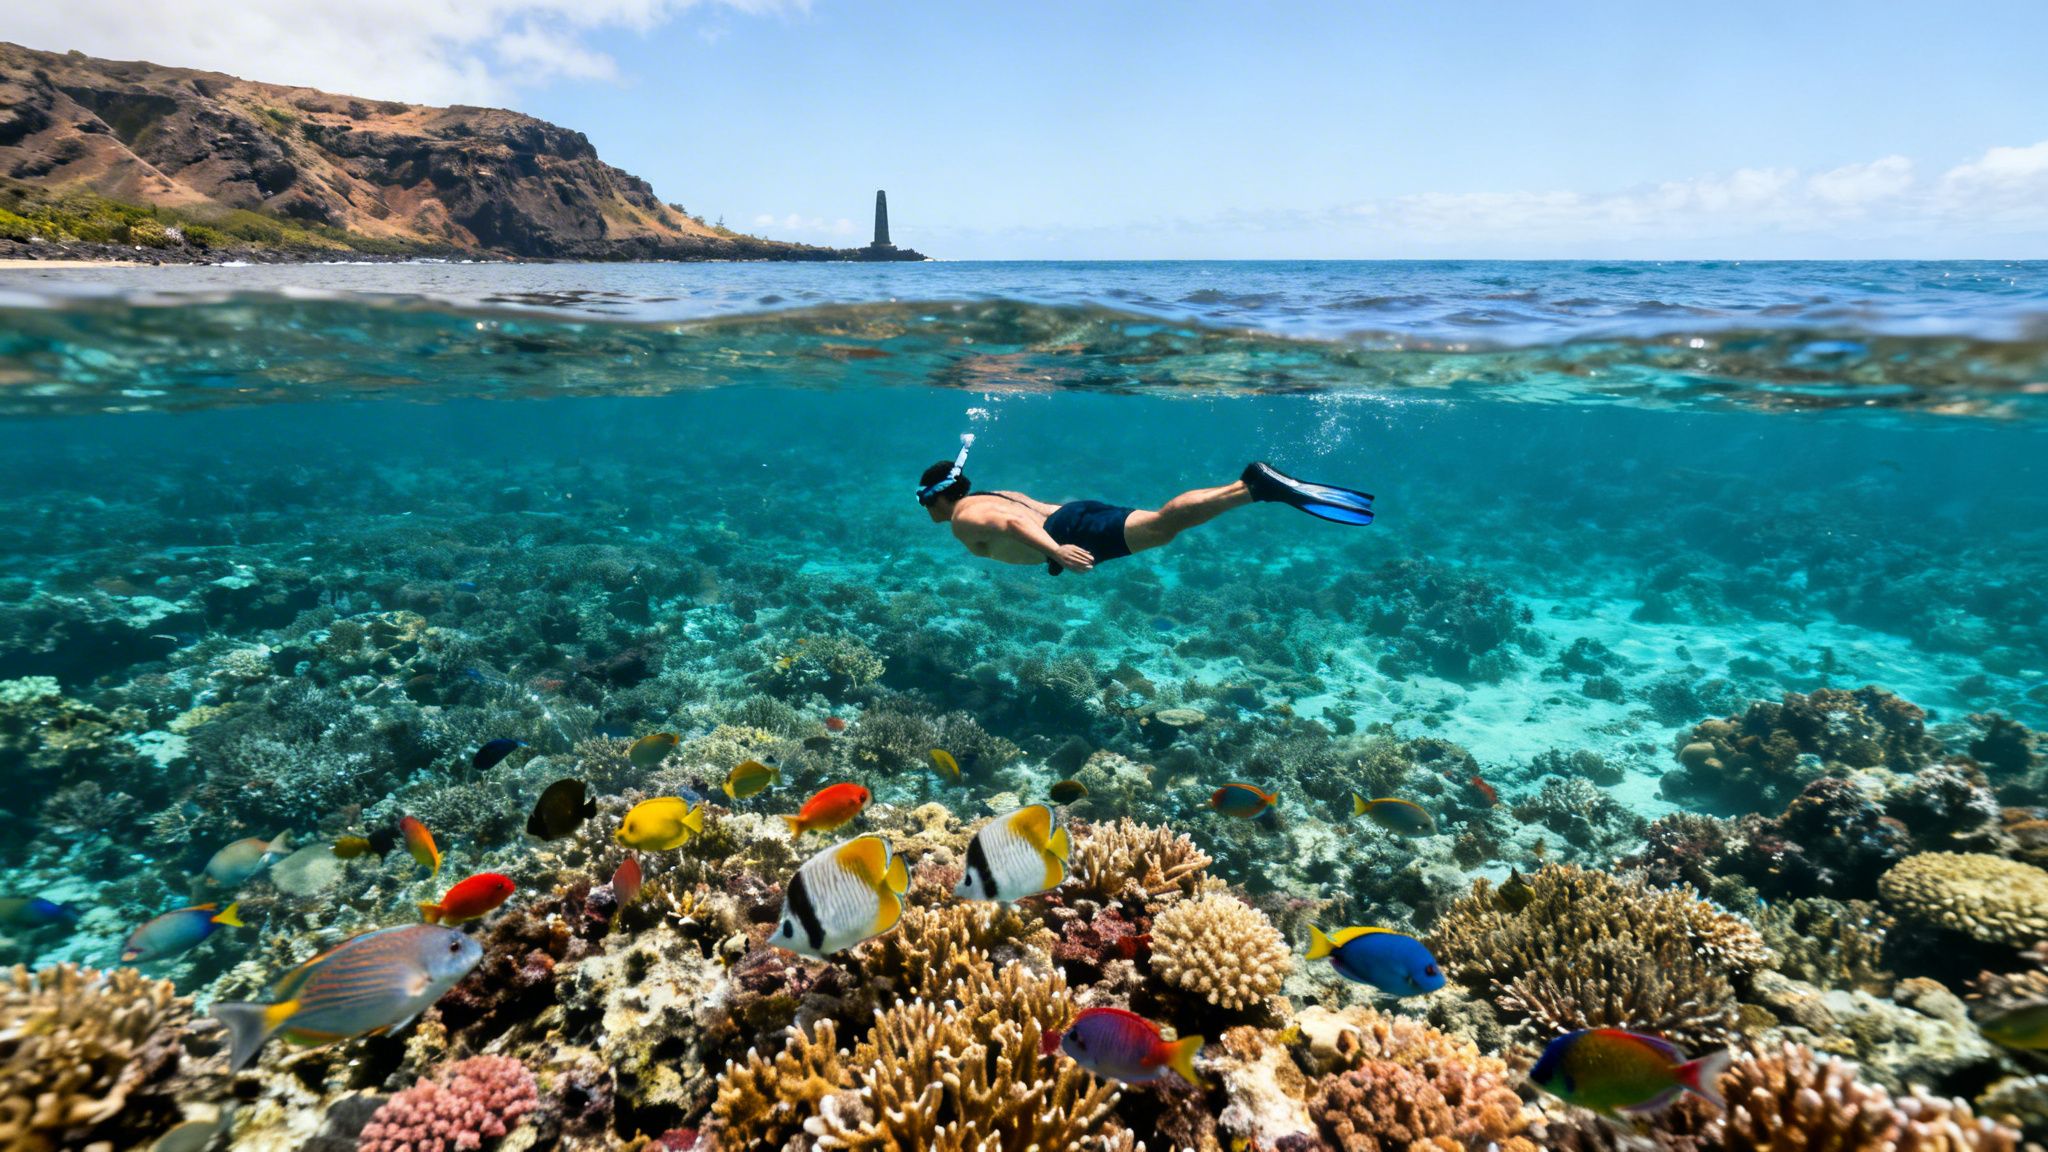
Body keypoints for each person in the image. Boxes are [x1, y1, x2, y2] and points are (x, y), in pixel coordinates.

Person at [916, 437, 1373, 575]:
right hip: (1072, 517)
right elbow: (1029, 509)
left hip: (1067, 533)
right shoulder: (995, 492)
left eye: (924, 501)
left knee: (1160, 526)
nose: (927, 511)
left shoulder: (964, 516)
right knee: (1161, 525)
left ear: (938, 495)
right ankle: (1254, 488)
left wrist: (1056, 551)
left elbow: (1014, 523)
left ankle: (1253, 486)